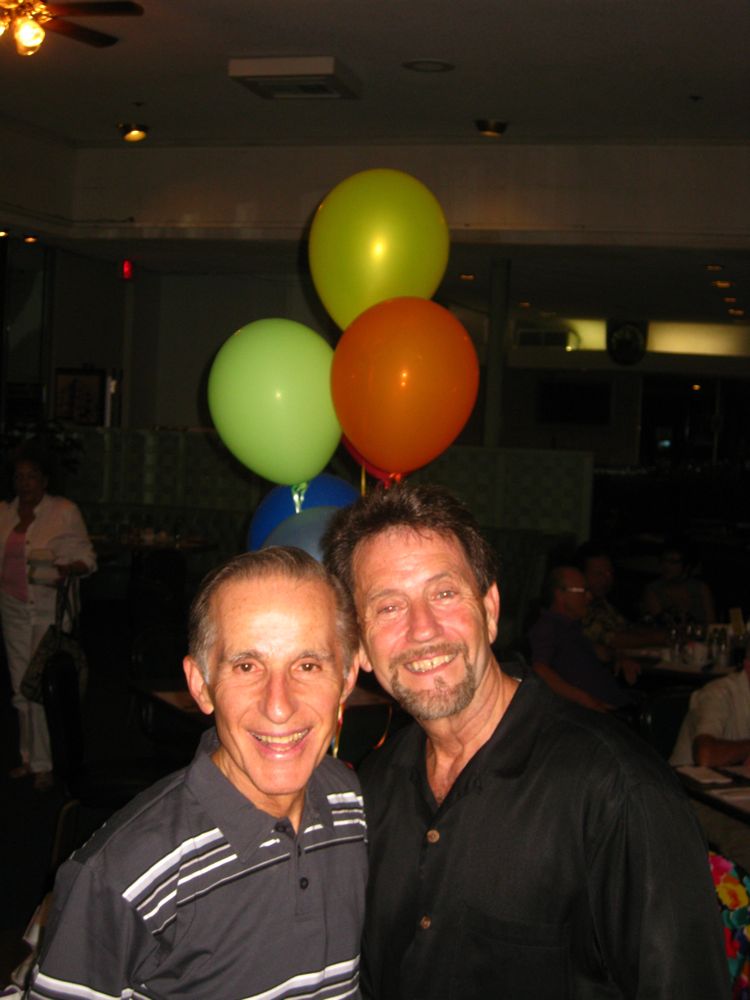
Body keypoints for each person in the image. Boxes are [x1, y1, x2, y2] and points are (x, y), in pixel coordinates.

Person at [323, 483, 728, 1000]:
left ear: (490, 609)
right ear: (359, 645)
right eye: (388, 607)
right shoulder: (375, 787)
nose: (422, 630)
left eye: (444, 594)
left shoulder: (617, 790)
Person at [27, 547, 368, 999]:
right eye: (247, 666)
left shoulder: (349, 801)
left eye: (307, 665)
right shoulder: (121, 877)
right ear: (201, 686)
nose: (279, 705)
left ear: (346, 677)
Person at [0, 454, 96, 791]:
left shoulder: (63, 511)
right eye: (19, 476)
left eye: (31, 476)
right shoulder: (4, 513)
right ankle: (28, 756)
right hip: (12, 608)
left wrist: (65, 569)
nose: (24, 483)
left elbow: (88, 559)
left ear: (44, 479)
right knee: (20, 686)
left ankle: (46, 763)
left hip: (47, 609)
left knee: (41, 683)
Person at [671, 663, 750, 871]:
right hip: (688, 797)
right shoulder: (718, 693)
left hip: (736, 797)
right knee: (744, 840)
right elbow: (705, 755)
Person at [528, 564, 637, 711]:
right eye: (584, 591)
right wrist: (587, 701)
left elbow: (601, 652)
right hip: (594, 715)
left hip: (616, 706)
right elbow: (540, 671)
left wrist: (619, 657)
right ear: (561, 594)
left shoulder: (572, 627)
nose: (589, 597)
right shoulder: (547, 627)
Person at [576, 542, 666, 684]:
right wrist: (661, 639)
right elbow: (613, 639)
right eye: (599, 574)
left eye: (609, 573)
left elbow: (626, 627)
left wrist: (665, 634)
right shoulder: (578, 607)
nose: (607, 579)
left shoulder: (602, 602)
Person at [643, 538, 715, 627]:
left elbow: (711, 624)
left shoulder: (700, 588)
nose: (666, 565)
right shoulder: (654, 589)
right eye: (663, 560)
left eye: (673, 562)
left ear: (687, 566)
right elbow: (660, 623)